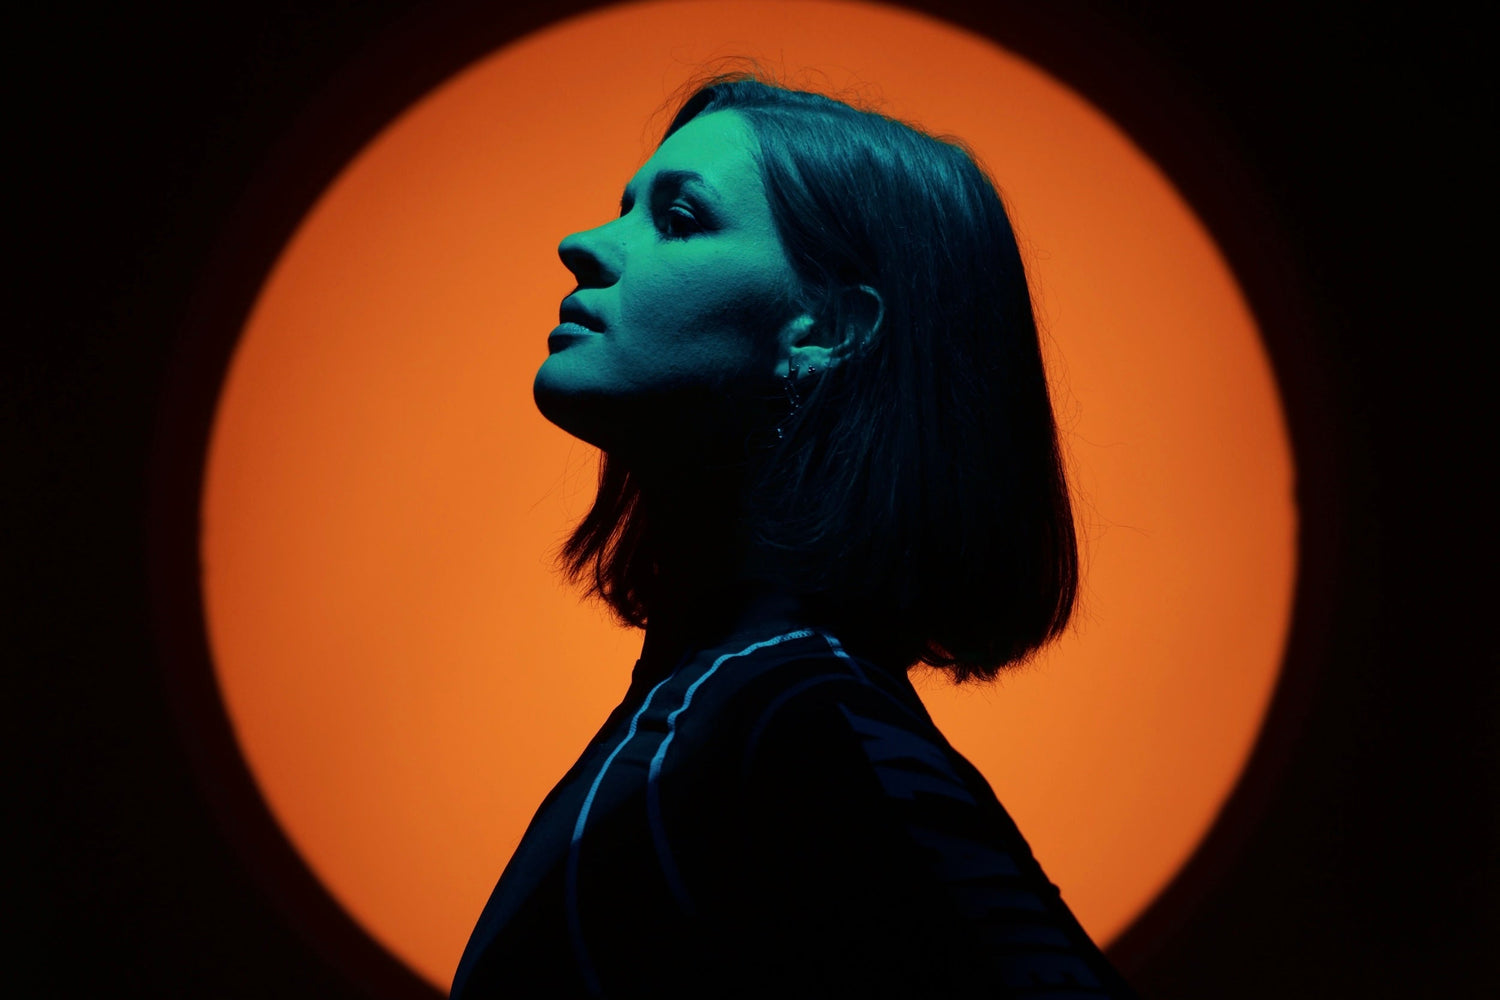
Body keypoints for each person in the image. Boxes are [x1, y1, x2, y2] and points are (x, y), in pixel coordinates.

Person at [451, 73, 1140, 999]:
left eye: (680, 219)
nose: (583, 245)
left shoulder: (804, 718)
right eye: (623, 209)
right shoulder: (736, 704)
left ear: (828, 328)